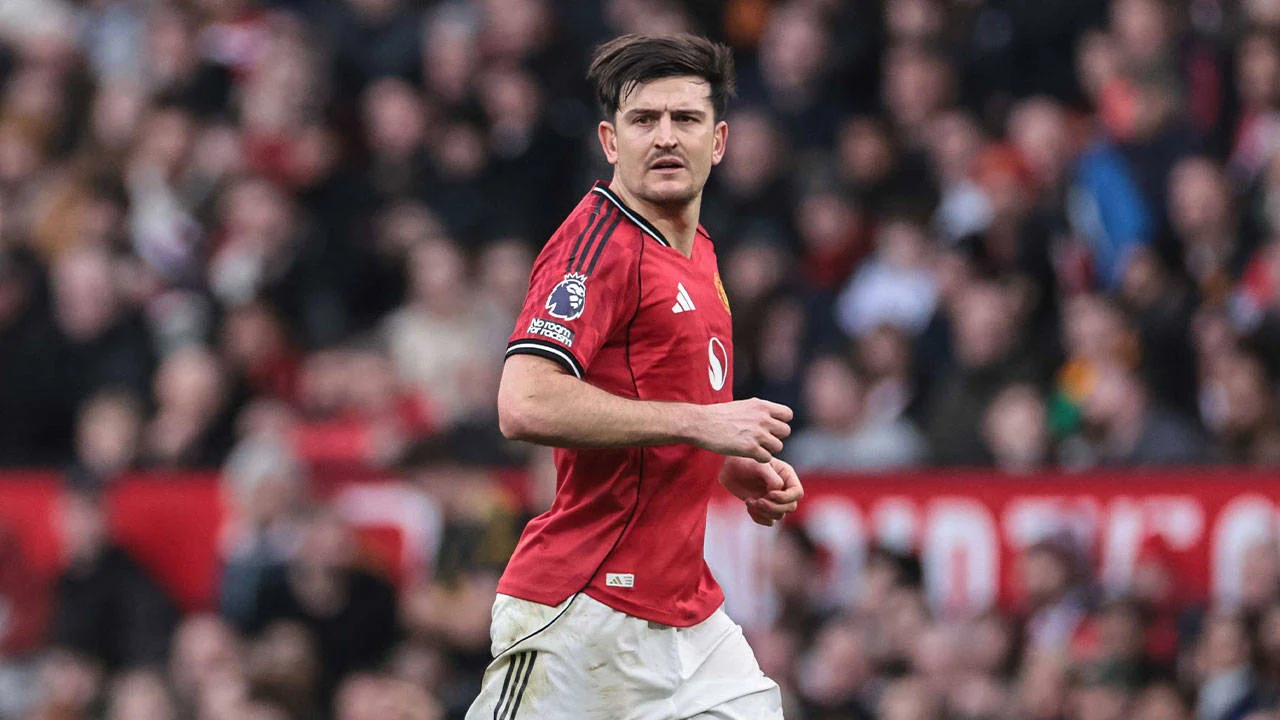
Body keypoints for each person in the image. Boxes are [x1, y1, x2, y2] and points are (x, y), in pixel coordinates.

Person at [467, 34, 802, 719]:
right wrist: (702, 426)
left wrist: (721, 459)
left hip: (687, 617)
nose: (666, 137)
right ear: (610, 141)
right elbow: (523, 402)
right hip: (583, 608)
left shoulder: (697, 249)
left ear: (719, 141)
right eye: (644, 119)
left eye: (686, 119)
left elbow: (652, 394)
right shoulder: (596, 246)